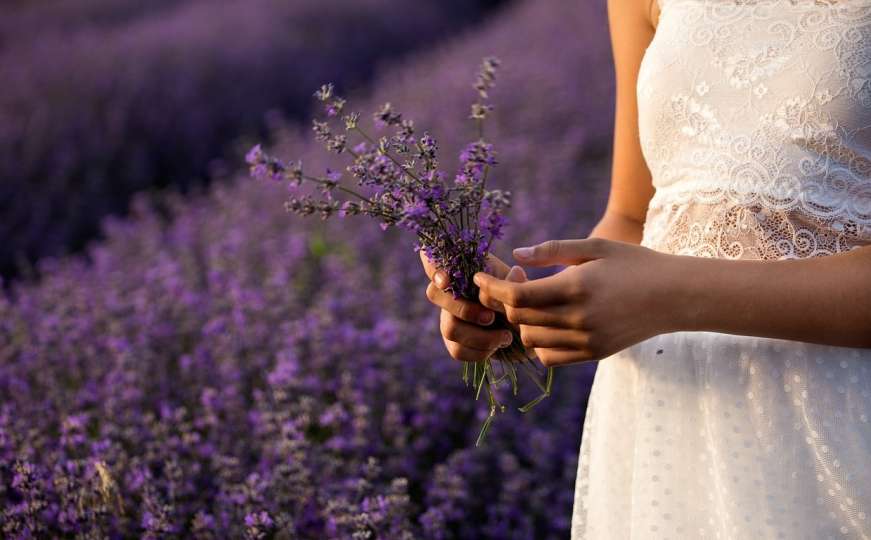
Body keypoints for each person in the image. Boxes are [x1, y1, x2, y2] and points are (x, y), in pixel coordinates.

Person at [420, 0, 871, 537]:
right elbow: (634, 214)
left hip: (835, 415)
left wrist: (667, 297)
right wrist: (528, 307)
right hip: (663, 422)